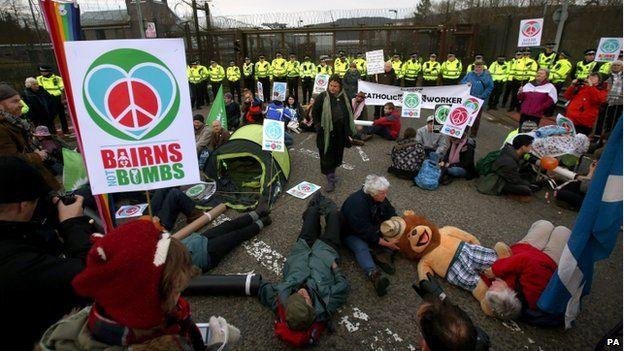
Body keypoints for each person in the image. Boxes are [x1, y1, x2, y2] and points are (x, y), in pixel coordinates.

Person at [39, 219, 241, 350]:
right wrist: (217, 344)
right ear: (143, 303)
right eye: (175, 292)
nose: (180, 300)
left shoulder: (97, 319)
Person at [0, 156, 94, 351]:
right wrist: (73, 225)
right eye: (38, 200)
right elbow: (92, 276)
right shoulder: (19, 264)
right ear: (23, 205)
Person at [258, 194, 347, 345]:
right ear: (312, 310)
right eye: (304, 298)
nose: (301, 292)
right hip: (325, 252)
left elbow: (259, 287)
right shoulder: (326, 304)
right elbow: (343, 287)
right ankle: (324, 204)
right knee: (334, 215)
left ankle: (316, 203)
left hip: (302, 250)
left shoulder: (280, 299)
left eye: (296, 295)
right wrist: (335, 267)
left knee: (311, 213)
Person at [482, 220, 571, 323]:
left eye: (491, 288)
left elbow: (482, 276)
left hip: (525, 250)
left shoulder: (503, 298)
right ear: (510, 292)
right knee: (563, 232)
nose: (493, 283)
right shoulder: (532, 293)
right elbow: (527, 260)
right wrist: (496, 269)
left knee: (544, 225)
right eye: (495, 287)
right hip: (549, 259)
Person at [341, 175, 398, 297]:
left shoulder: (378, 196)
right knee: (361, 247)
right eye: (383, 193)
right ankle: (373, 274)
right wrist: (387, 242)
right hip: (351, 233)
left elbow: (390, 211)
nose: (385, 195)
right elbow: (366, 232)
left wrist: (397, 225)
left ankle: (377, 252)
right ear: (373, 193)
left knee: (390, 241)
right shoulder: (356, 205)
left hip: (371, 226)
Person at [0, 83, 59, 190]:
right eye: (15, 101)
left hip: (30, 180)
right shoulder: (3, 128)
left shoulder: (15, 122)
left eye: (19, 100)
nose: (21, 104)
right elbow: (9, 161)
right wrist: (37, 156)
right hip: (22, 189)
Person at [311, 75, 356, 192]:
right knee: (327, 155)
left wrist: (349, 130)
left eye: (335, 86)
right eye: (331, 85)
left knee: (337, 154)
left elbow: (349, 111)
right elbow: (315, 112)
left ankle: (332, 171)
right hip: (326, 132)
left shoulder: (345, 97)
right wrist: (317, 126)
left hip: (340, 132)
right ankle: (330, 179)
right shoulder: (322, 97)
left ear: (340, 87)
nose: (332, 88)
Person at [491, 134, 536, 199]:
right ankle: (504, 191)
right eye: (529, 146)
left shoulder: (510, 150)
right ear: (523, 147)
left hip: (506, 175)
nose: (531, 147)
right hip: (499, 182)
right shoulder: (510, 161)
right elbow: (514, 180)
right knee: (526, 190)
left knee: (527, 175)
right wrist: (529, 185)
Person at [461, 61, 493, 137]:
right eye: (476, 66)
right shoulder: (470, 74)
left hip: (479, 99)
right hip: (469, 98)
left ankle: (473, 133)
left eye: (479, 67)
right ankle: (464, 130)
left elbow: (490, 87)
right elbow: (462, 81)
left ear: (483, 67)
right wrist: (466, 83)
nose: (477, 68)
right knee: (466, 114)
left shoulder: (487, 76)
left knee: (476, 117)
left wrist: (483, 95)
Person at [36, 65, 69, 135]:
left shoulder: (57, 78)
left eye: (43, 71)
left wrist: (62, 99)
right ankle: (52, 131)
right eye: (41, 71)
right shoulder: (39, 79)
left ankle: (65, 130)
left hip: (57, 98)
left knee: (62, 115)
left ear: (48, 71)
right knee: (50, 116)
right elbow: (39, 89)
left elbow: (62, 89)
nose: (41, 73)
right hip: (47, 99)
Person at [599, 60, 623, 136]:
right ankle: (600, 134)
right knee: (603, 119)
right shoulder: (606, 76)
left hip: (619, 102)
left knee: (615, 119)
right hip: (607, 101)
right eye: (614, 65)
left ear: (622, 67)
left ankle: (610, 134)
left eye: (618, 65)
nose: (615, 67)